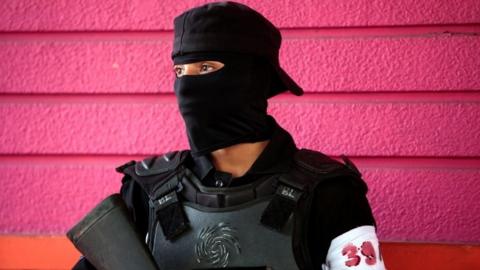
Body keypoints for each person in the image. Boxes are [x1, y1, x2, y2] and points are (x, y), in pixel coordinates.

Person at [72, 1, 386, 269]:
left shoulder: (329, 192)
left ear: (253, 78)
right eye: (180, 72)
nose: (187, 88)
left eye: (206, 68)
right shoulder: (146, 191)